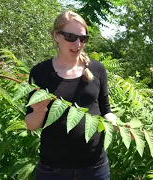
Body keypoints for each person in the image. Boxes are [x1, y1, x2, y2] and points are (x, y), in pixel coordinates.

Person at [24, 10, 116, 180]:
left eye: (83, 38)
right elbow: (30, 124)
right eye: (70, 37)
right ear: (56, 36)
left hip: (95, 168)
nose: (78, 44)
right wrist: (39, 112)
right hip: (54, 170)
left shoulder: (97, 69)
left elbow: (106, 110)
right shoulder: (40, 73)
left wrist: (116, 124)